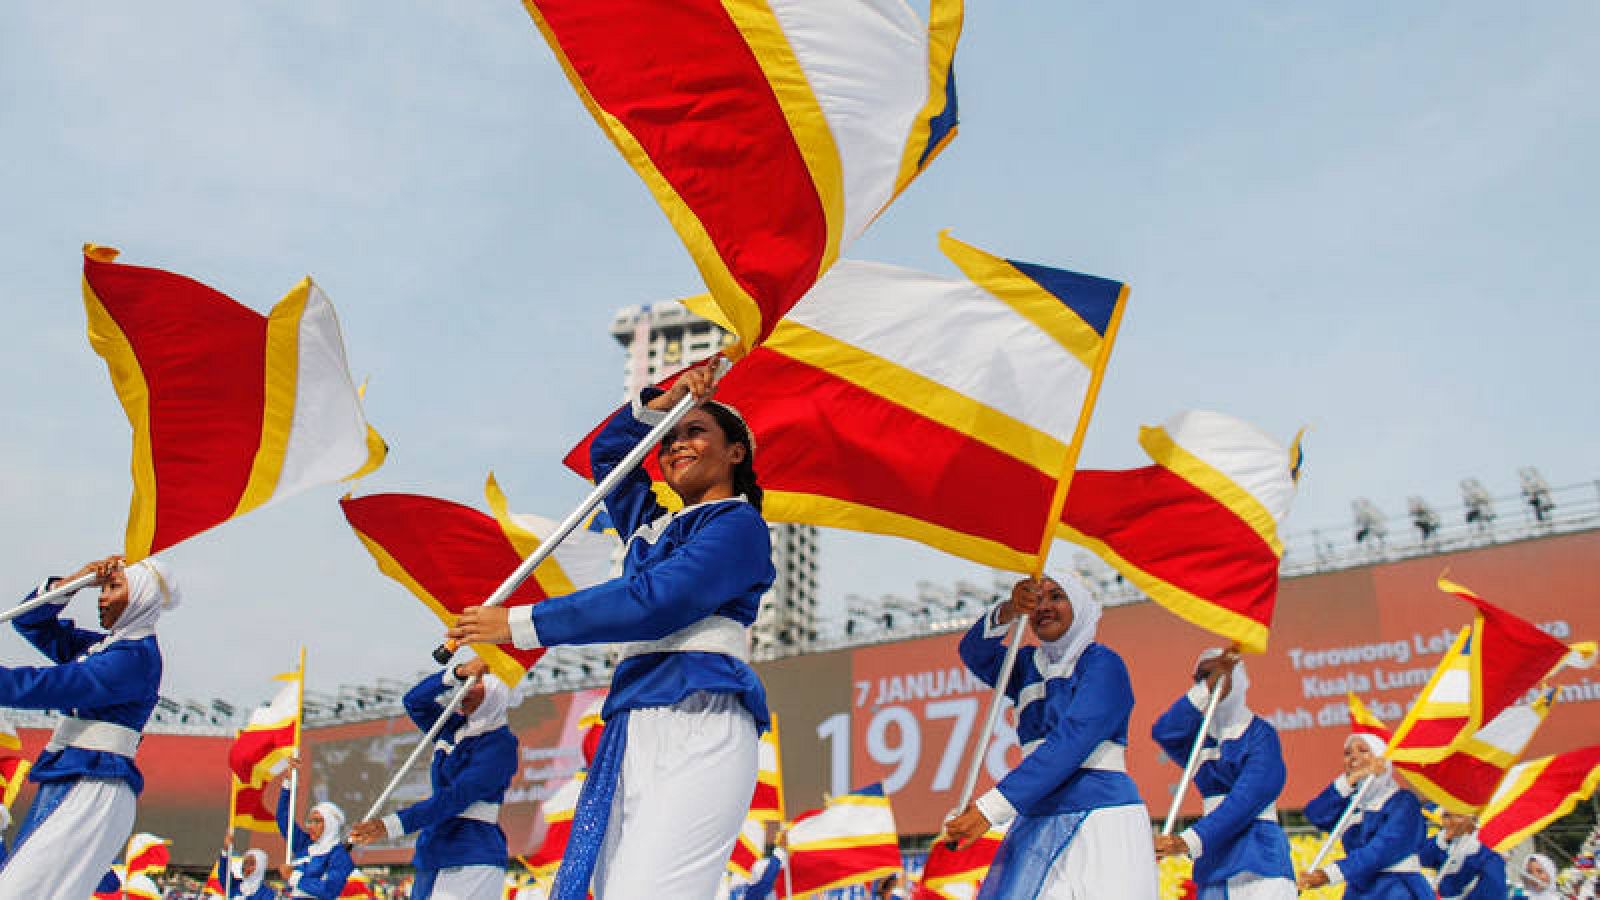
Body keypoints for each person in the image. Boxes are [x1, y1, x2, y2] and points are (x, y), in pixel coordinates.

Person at [451, 363, 774, 899]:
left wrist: (521, 623)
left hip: (699, 718)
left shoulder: (739, 526)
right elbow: (610, 458)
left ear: (736, 452)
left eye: (695, 431)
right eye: (667, 438)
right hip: (631, 725)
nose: (676, 445)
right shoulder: (651, 526)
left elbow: (658, 601)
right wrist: (660, 404)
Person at [943, 574, 1160, 899]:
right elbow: (974, 652)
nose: (1044, 607)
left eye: (1056, 597)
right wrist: (1008, 610)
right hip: (1039, 820)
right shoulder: (1027, 665)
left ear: (1080, 606)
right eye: (1037, 600)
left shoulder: (1102, 664)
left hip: (1101, 820)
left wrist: (991, 808)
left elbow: (1073, 739)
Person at [0, 556, 174, 898]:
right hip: (76, 778)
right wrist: (73, 581)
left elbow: (45, 686)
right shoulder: (108, 648)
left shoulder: (132, 660)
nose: (102, 597)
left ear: (141, 595)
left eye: (114, 587)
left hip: (92, 786)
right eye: (103, 588)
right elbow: (31, 623)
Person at [349, 656, 518, 899]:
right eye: (466, 683)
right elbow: (414, 701)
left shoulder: (500, 744)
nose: (467, 687)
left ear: (496, 690)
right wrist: (457, 673)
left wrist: (391, 825)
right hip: (433, 850)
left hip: (471, 854)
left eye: (477, 682)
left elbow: (455, 797)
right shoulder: (451, 727)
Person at [1151, 649, 1296, 899]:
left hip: (1260, 862)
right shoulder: (1199, 741)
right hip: (1214, 866)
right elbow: (1165, 731)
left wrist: (1189, 841)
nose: (1213, 679)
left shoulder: (1261, 735)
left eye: (1219, 672)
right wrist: (1204, 690)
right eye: (1202, 675)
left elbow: (1247, 799)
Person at [1298, 730, 1431, 897]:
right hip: (1360, 889)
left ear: (1382, 759)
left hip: (1396, 888)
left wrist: (1330, 874)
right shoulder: (1351, 804)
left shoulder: (1403, 801)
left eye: (1363, 750)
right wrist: (1351, 780)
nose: (1353, 757)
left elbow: (1381, 850)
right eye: (1348, 753)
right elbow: (1315, 814)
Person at [275, 787, 354, 898]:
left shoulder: (339, 855)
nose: (311, 826)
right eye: (310, 821)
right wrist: (287, 785)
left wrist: (293, 876)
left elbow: (329, 891)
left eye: (317, 821)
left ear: (331, 823)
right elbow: (282, 818)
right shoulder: (303, 844)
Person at [1416, 811, 1507, 900]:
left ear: (1472, 821)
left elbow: (1493, 892)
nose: (1448, 821)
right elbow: (1419, 859)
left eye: (1458, 816)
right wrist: (1444, 839)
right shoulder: (1443, 839)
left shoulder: (1488, 854)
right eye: (1446, 815)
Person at [219, 835, 275, 900]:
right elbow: (224, 874)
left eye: (251, 864)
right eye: (245, 862)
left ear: (260, 868)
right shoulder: (234, 885)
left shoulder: (267, 893)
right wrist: (226, 850)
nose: (246, 867)